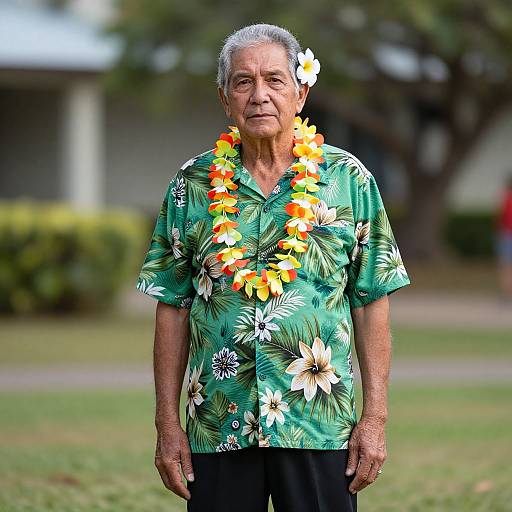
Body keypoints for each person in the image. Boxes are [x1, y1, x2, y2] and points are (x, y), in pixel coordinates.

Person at [136, 23, 411, 512]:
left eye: (274, 80)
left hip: (318, 424)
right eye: (243, 82)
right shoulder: (191, 185)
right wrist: (166, 424)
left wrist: (375, 420)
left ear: (301, 92)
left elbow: (372, 303)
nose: (259, 95)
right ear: (225, 99)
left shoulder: (348, 180)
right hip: (218, 421)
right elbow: (171, 308)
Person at [496, 173, 512, 303]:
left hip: (507, 235)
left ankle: (506, 296)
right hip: (506, 235)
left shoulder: (506, 199)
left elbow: (501, 218)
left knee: (506, 267)